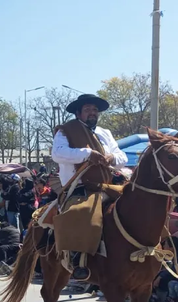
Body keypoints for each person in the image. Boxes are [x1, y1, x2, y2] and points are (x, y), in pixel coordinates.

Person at [50, 93, 128, 280]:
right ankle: (79, 259)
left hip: (107, 185)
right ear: (78, 113)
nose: (92, 113)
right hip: (79, 186)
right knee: (84, 212)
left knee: (137, 204)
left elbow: (122, 157)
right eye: (87, 110)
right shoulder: (66, 130)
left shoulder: (105, 133)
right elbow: (58, 154)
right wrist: (87, 154)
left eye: (94, 110)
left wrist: (111, 158)